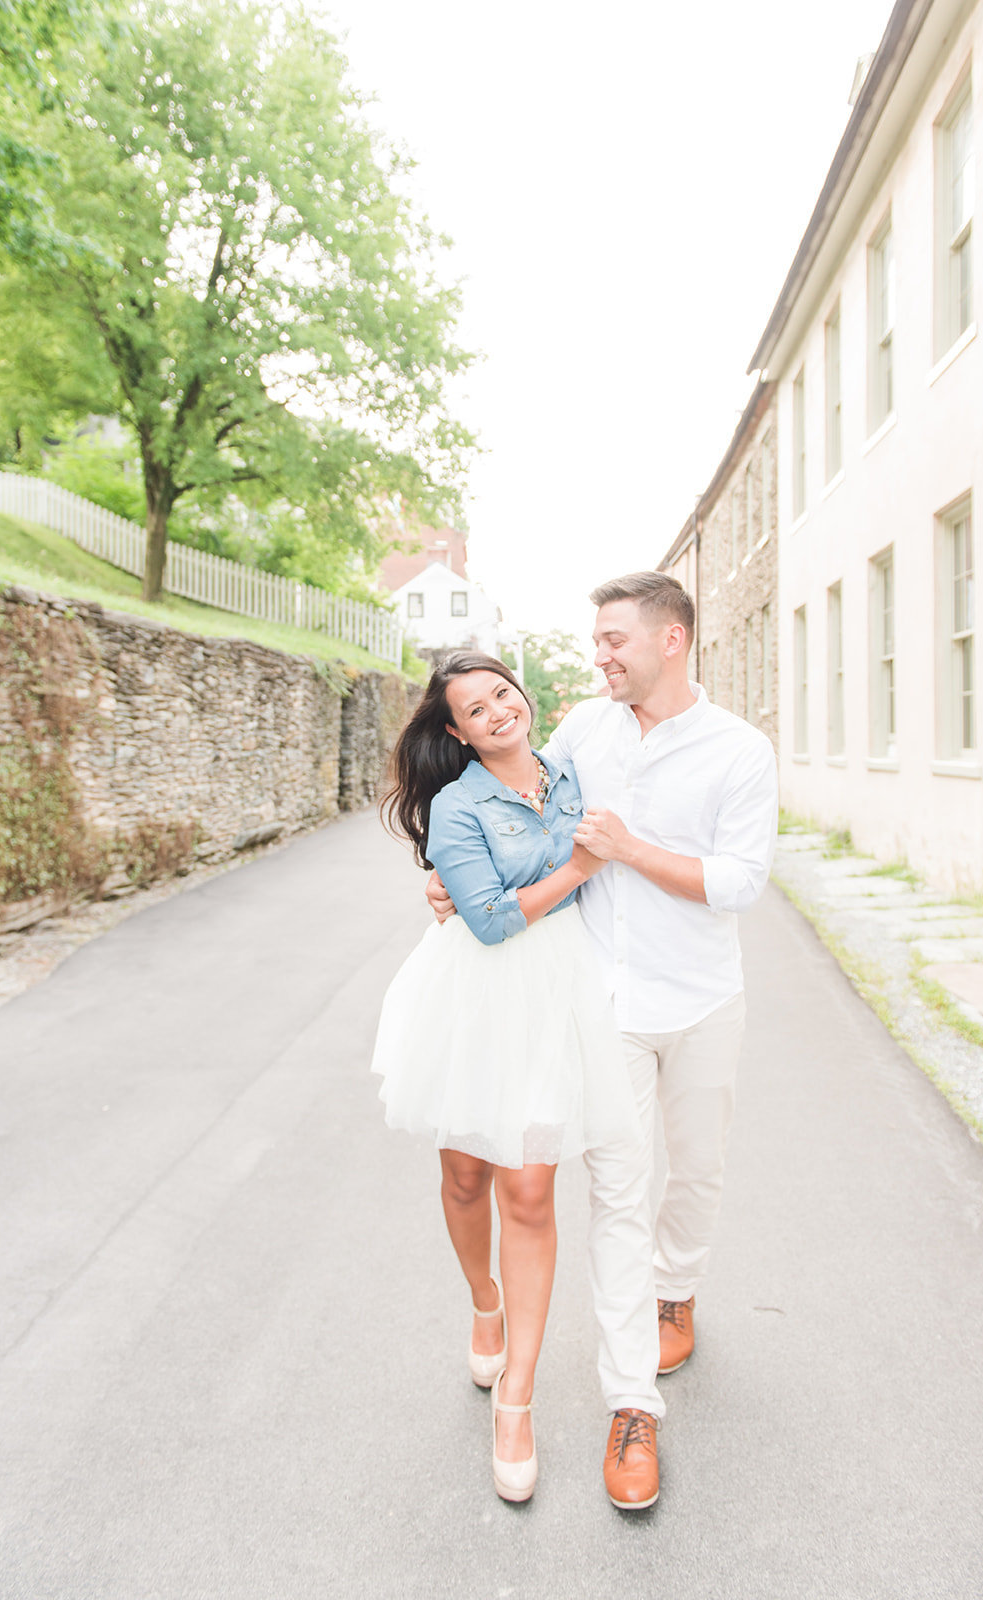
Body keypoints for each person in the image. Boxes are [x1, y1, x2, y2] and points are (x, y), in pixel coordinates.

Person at [427, 574, 778, 1510]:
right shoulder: (583, 728)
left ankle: (678, 1291)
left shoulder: (739, 751)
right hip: (605, 1003)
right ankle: (633, 1407)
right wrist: (450, 882)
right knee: (617, 1196)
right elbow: (512, 809)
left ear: (672, 639)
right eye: (597, 640)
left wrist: (627, 851)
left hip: (703, 998)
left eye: (615, 639)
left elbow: (740, 882)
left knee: (694, 1175)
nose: (600, 655)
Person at [370, 651, 639, 1504]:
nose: (496, 713)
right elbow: (485, 921)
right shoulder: (456, 805)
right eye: (474, 710)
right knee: (465, 1173)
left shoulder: (569, 769)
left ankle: (516, 1397)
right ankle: (483, 1298)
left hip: (558, 990)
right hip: (476, 994)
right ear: (455, 732)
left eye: (502, 695)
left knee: (529, 1189)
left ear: (522, 698)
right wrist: (578, 872)